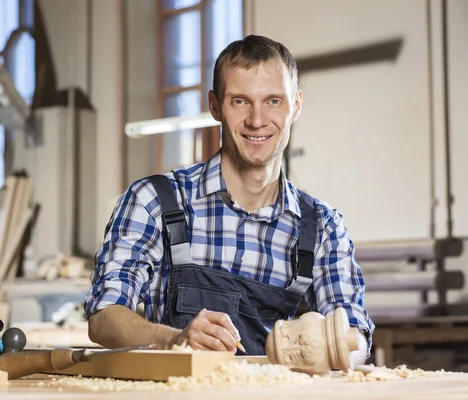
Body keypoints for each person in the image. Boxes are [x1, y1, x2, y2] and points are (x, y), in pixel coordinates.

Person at [84, 34, 374, 366]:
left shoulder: (322, 227)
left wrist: (339, 350)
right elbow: (103, 316)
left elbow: (355, 332)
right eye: (240, 101)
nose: (257, 120)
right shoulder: (155, 201)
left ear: (296, 105)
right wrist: (173, 340)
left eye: (274, 101)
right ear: (215, 105)